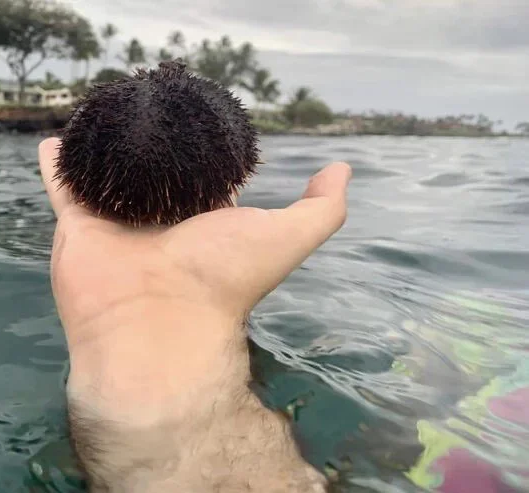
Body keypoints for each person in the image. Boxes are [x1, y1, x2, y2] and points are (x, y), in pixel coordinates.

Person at [38, 137, 352, 492]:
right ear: (231, 181)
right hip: (237, 472)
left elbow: (50, 147)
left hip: (113, 465)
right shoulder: (233, 243)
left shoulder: (77, 230)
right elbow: (331, 194)